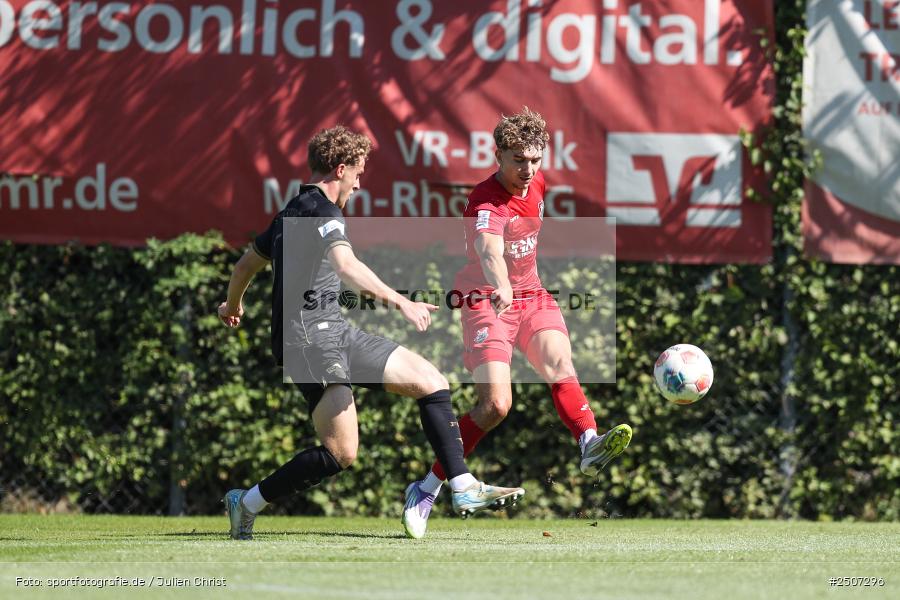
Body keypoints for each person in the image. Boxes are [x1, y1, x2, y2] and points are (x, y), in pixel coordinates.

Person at [218, 125, 524, 540]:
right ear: (340, 169)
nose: (359, 184)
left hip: (336, 332)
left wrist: (232, 305)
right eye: (358, 174)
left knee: (432, 382)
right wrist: (402, 302)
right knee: (341, 453)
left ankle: (462, 486)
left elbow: (244, 268)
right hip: (309, 342)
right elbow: (347, 267)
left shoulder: (290, 211)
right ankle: (247, 501)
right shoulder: (323, 213)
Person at [401, 108, 631, 539]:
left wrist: (517, 287)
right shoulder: (485, 202)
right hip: (486, 301)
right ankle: (427, 487)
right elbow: (489, 249)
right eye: (518, 160)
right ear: (499, 155)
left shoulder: (536, 181)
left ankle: (588, 442)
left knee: (560, 361)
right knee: (495, 407)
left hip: (532, 295)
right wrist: (501, 284)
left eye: (535, 160)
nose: (527, 170)